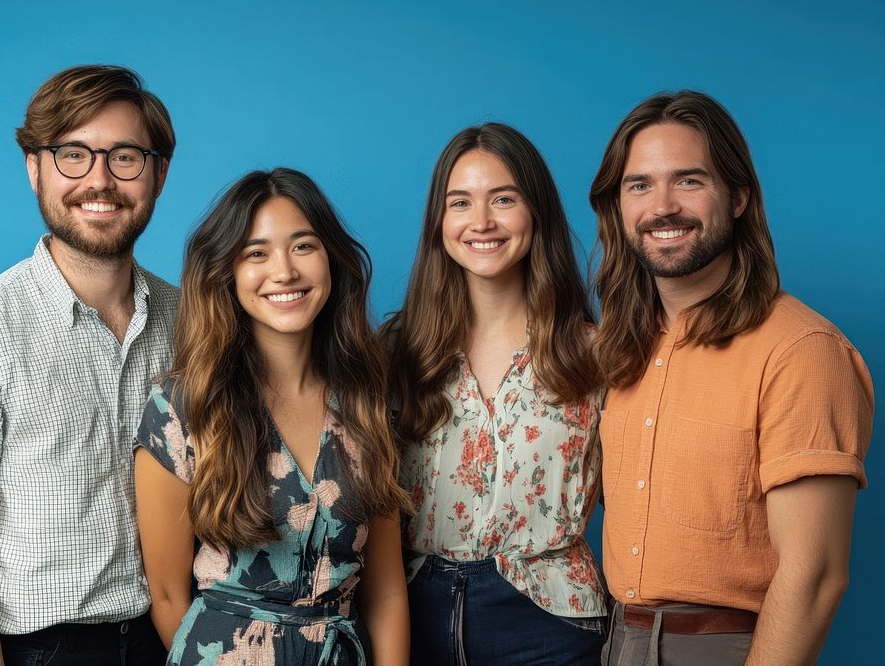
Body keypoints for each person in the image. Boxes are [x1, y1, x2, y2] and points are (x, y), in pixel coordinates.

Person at [0, 65, 177, 664]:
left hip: (183, 636)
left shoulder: (194, 322)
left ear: (159, 173)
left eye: (125, 156)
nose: (98, 181)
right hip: (47, 650)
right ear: (35, 170)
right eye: (72, 155)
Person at [589, 90, 874, 665]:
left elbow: (816, 576)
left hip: (727, 649)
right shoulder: (622, 349)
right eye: (639, 185)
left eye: (689, 181)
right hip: (620, 642)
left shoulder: (801, 350)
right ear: (617, 207)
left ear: (739, 197)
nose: (662, 206)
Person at [134, 168, 411, 664]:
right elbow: (167, 594)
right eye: (256, 253)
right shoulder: (182, 407)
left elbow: (386, 591)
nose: (284, 272)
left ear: (331, 259)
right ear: (227, 271)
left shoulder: (369, 403)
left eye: (303, 246)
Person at [386, 123, 607, 665]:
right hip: (413, 612)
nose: (481, 222)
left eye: (503, 199)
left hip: (549, 620)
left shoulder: (594, 354)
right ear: (439, 220)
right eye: (460, 202)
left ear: (536, 212)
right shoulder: (395, 351)